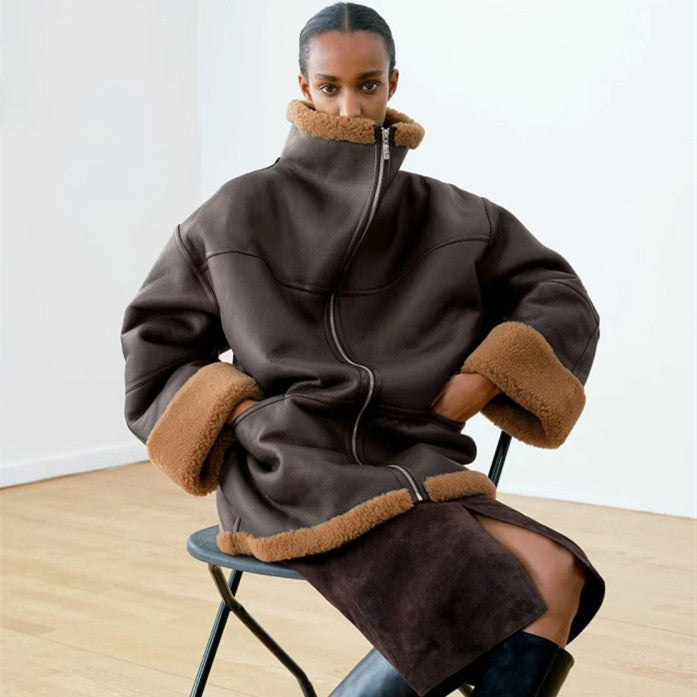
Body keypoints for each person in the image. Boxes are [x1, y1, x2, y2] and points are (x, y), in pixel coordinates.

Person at [120, 3, 606, 696]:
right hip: (293, 475)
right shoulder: (237, 211)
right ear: (303, 86)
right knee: (503, 592)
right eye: (330, 87)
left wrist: (483, 377)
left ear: (393, 83)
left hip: (415, 460)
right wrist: (246, 418)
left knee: (561, 572)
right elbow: (155, 350)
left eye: (368, 85)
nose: (349, 106)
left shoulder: (450, 213)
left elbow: (558, 295)